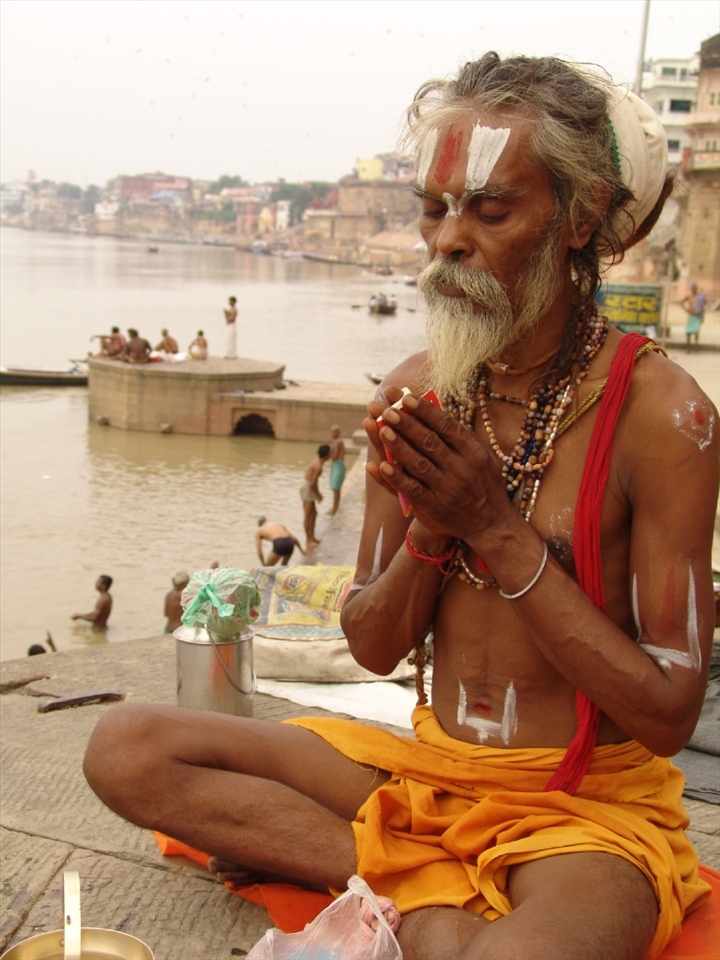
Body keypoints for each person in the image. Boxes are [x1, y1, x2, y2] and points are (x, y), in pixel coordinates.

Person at [83, 54, 718, 960]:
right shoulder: (414, 393)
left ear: (578, 218)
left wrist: (494, 528)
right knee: (127, 746)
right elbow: (375, 644)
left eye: (490, 210)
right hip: (422, 771)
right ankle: (420, 912)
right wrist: (431, 524)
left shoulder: (666, 417)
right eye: (434, 208)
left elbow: (668, 715)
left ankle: (385, 897)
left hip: (583, 809)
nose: (447, 240)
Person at [299, 444, 330, 549]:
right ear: (327, 455)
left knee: (314, 513)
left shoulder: (318, 462)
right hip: (308, 488)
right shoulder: (318, 466)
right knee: (308, 515)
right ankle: (308, 540)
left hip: (308, 487)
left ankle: (312, 536)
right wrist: (318, 495)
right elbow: (313, 483)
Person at [680, 282, 707, 353]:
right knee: (688, 333)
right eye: (692, 289)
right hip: (691, 316)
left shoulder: (700, 297)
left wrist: (703, 317)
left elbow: (703, 307)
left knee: (696, 332)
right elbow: (681, 302)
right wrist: (686, 310)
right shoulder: (689, 296)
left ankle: (696, 346)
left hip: (697, 316)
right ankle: (688, 348)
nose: (693, 290)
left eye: (695, 288)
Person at [327, 425, 346, 515]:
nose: (332, 434)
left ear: (338, 432)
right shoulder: (337, 441)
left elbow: (335, 456)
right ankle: (335, 506)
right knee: (335, 488)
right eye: (331, 432)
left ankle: (334, 508)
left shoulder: (338, 442)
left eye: (333, 432)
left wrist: (327, 453)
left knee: (336, 488)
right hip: (336, 465)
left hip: (338, 465)